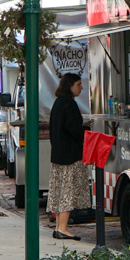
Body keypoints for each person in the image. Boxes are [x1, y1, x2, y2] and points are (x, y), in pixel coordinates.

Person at [48, 73, 88, 240]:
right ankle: (63, 228)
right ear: (70, 85)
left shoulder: (58, 103)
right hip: (70, 154)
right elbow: (74, 130)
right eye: (78, 84)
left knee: (59, 190)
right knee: (67, 191)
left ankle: (59, 227)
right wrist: (86, 131)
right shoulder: (69, 104)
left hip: (58, 153)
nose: (81, 87)